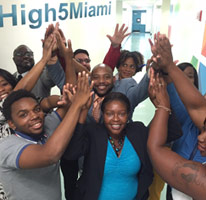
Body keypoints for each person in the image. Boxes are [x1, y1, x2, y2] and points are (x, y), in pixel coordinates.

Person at [0, 71, 92, 200]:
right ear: (12, 124)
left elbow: (67, 105)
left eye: (37, 109)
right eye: (23, 114)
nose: (34, 116)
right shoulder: (7, 147)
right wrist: (77, 105)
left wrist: (71, 98)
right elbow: (49, 156)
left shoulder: (45, 125)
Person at [147, 33, 206, 200]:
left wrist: (162, 106)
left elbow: (156, 149)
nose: (201, 137)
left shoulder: (199, 179)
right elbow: (198, 108)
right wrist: (170, 68)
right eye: (204, 129)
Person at [64, 92, 153, 200]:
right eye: (109, 114)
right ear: (103, 114)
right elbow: (72, 154)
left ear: (128, 114)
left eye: (121, 114)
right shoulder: (94, 133)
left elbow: (170, 134)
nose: (116, 119)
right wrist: (83, 112)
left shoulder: (138, 131)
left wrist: (162, 106)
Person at [166, 62, 205, 200]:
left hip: (199, 183)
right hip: (175, 177)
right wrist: (167, 68)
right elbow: (172, 90)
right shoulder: (185, 115)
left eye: (189, 76)